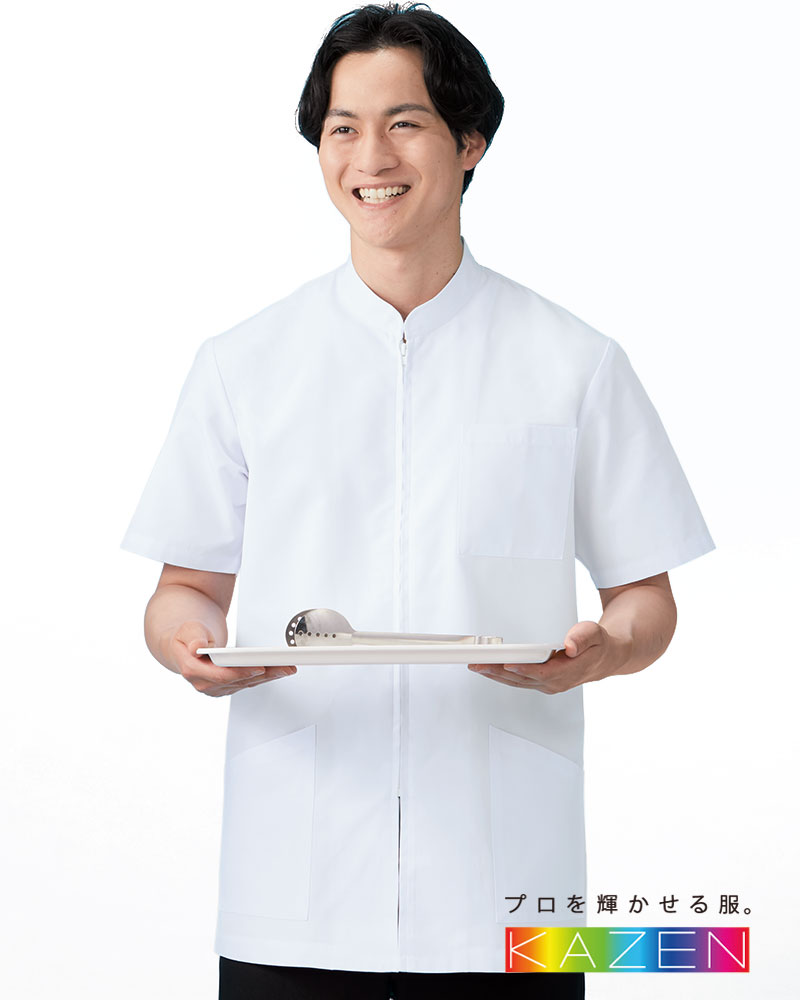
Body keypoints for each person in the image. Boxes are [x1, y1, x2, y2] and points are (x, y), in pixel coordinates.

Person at [122, 4, 714, 997]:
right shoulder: (243, 364)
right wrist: (186, 644)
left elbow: (645, 599)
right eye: (342, 127)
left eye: (404, 122)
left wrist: (603, 650)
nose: (370, 156)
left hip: (510, 892)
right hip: (292, 881)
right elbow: (184, 588)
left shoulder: (572, 362)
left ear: (469, 141)